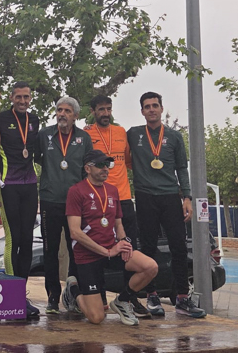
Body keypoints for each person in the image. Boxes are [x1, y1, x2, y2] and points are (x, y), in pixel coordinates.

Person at [126, 91, 205, 318]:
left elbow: (181, 167)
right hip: (144, 196)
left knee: (179, 247)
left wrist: (187, 197)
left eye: (155, 105)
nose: (151, 109)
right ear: (142, 111)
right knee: (148, 247)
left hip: (171, 196)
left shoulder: (174, 136)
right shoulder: (133, 134)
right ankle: (151, 295)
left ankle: (182, 298)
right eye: (147, 106)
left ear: (161, 109)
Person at [66, 150, 158, 326]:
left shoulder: (113, 190)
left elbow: (118, 224)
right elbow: (75, 232)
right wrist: (107, 251)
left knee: (150, 267)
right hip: (88, 256)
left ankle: (122, 301)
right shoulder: (76, 191)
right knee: (96, 318)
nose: (105, 169)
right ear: (87, 168)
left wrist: (124, 242)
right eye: (100, 165)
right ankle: (74, 291)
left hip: (111, 250)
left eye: (107, 165)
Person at [84, 95, 147, 316]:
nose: (105, 113)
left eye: (108, 109)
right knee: (99, 249)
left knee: (128, 249)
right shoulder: (86, 133)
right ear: (93, 111)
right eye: (101, 109)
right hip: (99, 200)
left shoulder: (121, 132)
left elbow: (129, 161)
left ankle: (128, 298)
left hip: (124, 198)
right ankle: (99, 295)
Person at [36, 96, 92, 314]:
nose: (62, 114)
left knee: (76, 249)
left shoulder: (84, 138)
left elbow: (86, 169)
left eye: (67, 111)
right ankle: (52, 296)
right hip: (50, 200)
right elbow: (38, 159)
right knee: (49, 251)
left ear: (75, 116)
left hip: (75, 204)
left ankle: (72, 294)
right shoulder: (44, 135)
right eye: (59, 110)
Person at [0, 81, 41, 318]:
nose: (23, 101)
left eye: (27, 97)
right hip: (7, 184)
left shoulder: (34, 120)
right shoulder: (1, 118)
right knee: (12, 239)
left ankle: (20, 294)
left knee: (27, 240)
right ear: (12, 98)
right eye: (19, 97)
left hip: (30, 184)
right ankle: (11, 295)